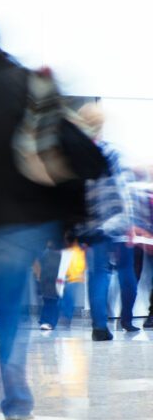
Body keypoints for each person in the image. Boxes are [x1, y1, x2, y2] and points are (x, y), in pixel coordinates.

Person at [0, 17, 84, 420]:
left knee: (9, 309)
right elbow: (59, 143)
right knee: (29, 299)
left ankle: (16, 397)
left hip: (0, 217)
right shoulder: (32, 83)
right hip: (39, 215)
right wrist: (66, 217)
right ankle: (15, 390)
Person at [76, 103, 137, 340]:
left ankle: (99, 327)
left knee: (98, 274)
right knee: (126, 271)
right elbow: (124, 190)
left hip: (94, 227)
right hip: (118, 222)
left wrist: (80, 230)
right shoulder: (113, 152)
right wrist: (130, 222)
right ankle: (127, 321)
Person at [60, 235, 86, 329]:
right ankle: (66, 318)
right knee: (68, 298)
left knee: (67, 298)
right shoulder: (78, 249)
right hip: (72, 277)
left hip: (71, 277)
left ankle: (66, 318)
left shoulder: (75, 249)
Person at [37, 240, 61, 331]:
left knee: (49, 301)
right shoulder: (52, 254)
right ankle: (48, 321)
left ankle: (46, 321)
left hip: (49, 282)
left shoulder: (46, 254)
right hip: (51, 282)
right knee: (51, 301)